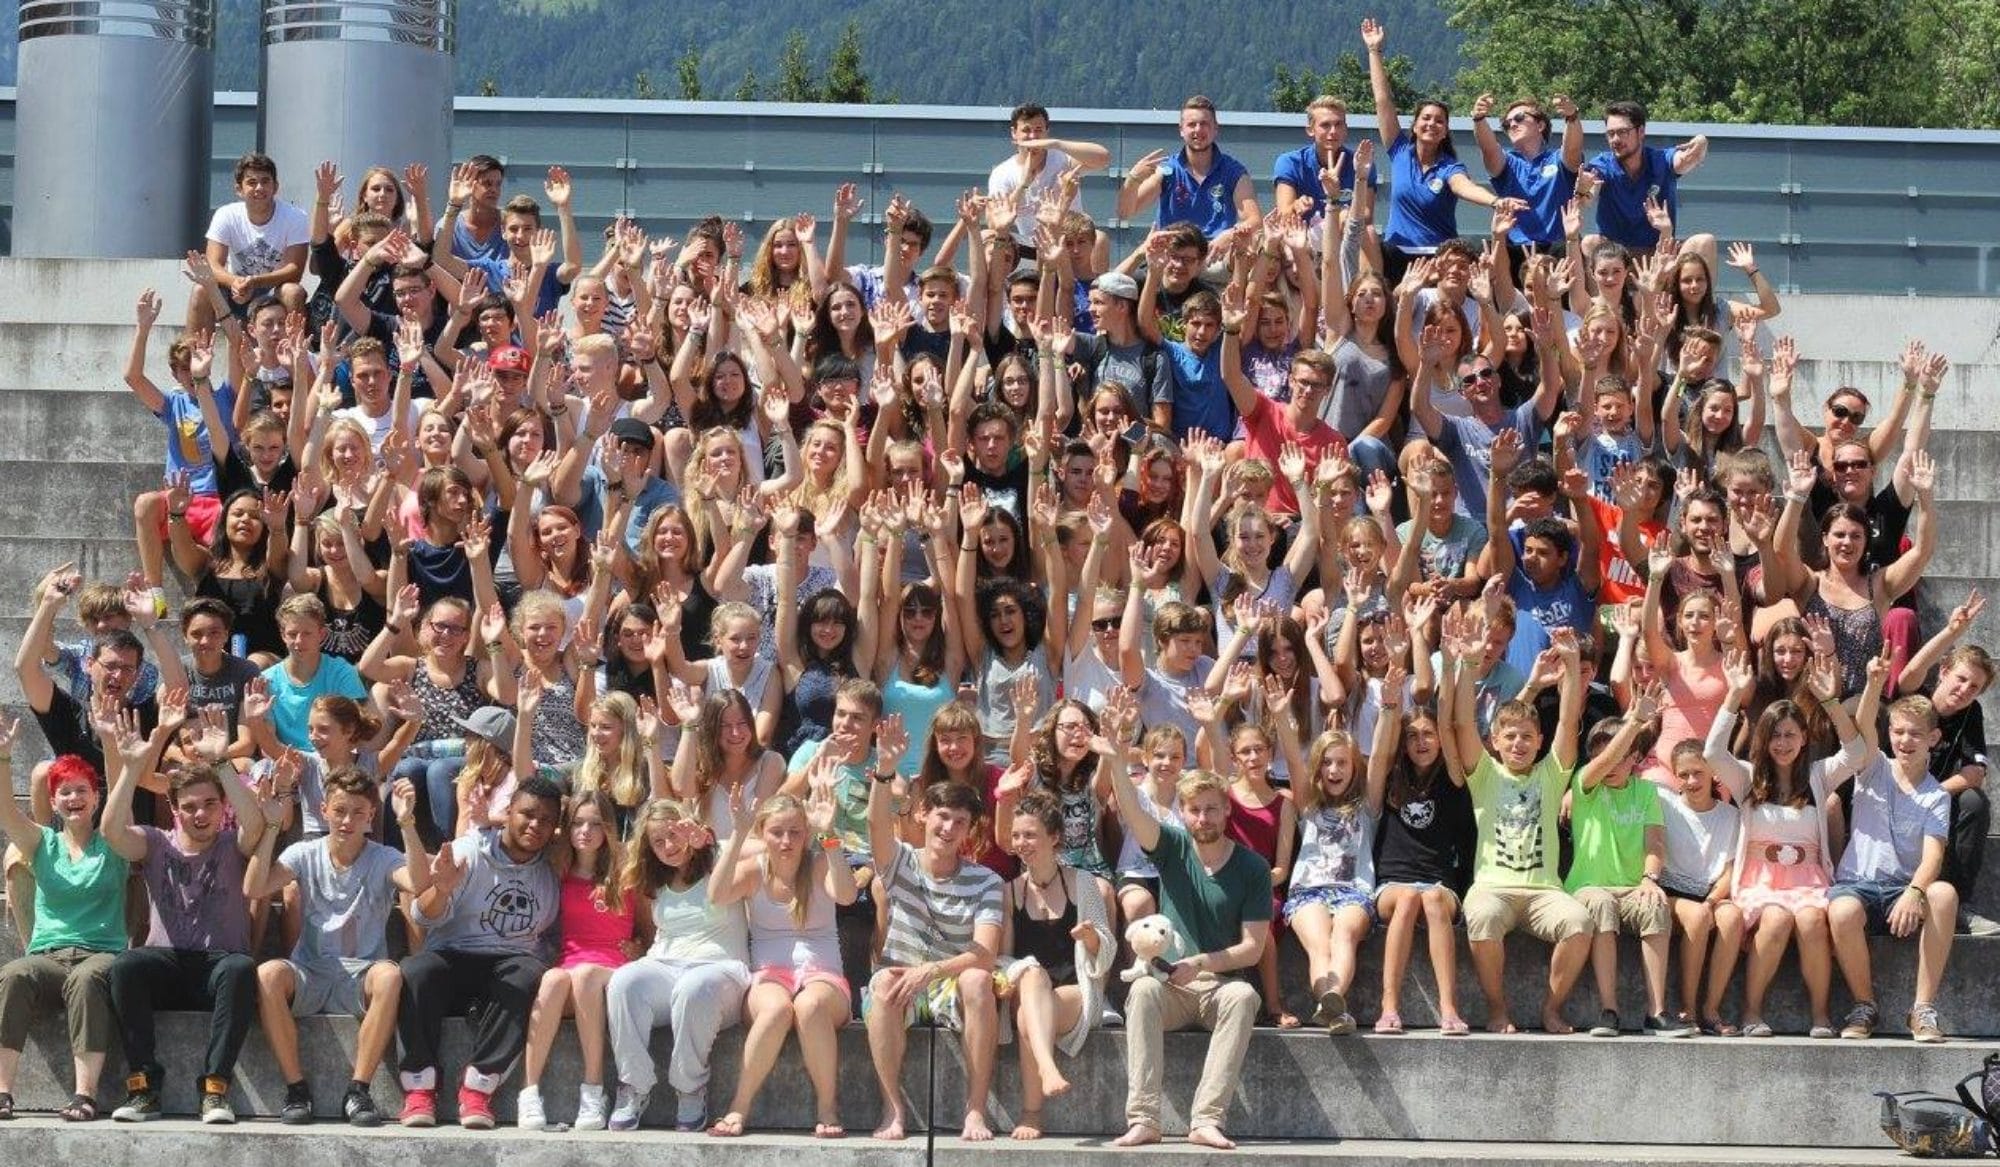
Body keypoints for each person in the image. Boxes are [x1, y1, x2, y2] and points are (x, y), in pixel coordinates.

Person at [1099, 686, 1268, 1152]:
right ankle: (1144, 1120)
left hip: (1215, 987)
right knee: (1144, 987)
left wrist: (1203, 963)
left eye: (1213, 808)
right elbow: (1132, 811)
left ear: (1227, 809)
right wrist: (1116, 760)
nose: (1204, 817)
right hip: (1171, 986)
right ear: (1185, 814)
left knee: (1244, 995)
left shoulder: (1252, 866)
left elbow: (1252, 948)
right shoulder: (1172, 846)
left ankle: (1206, 1120)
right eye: (1195, 810)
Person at [101, 702, 270, 1124]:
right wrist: (131, 769)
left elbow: (257, 825)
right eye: (190, 807)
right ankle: (144, 1086)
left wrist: (221, 762)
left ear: (220, 808)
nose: (200, 814)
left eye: (209, 805)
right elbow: (110, 831)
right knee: (125, 967)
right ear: (175, 810)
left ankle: (215, 1089)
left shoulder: (232, 843)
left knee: (240, 969)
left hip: (219, 967)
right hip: (168, 963)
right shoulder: (156, 843)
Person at [246, 768, 430, 1126]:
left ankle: (358, 1091)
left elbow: (420, 884)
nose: (348, 820)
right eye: (341, 810)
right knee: (267, 973)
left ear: (371, 816)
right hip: (310, 970)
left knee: (391, 976)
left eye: (358, 812)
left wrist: (407, 822)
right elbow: (254, 888)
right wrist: (271, 827)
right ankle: (296, 1089)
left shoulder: (384, 856)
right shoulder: (303, 851)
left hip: (360, 974)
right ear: (324, 809)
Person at [1438, 609, 1591, 1035]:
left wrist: (1573, 665)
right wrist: (1468, 664)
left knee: (1579, 922)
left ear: (1539, 742)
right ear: (1496, 743)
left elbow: (1567, 719)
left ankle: (1551, 1008)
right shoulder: (1485, 773)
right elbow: (1463, 721)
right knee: (1482, 916)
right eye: (1510, 737)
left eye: (1527, 736)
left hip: (1544, 891)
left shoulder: (1551, 771)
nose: (1519, 744)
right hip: (1493, 887)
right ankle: (1497, 1008)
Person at [862, 713, 1006, 1143]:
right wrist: (885, 771)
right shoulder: (900, 860)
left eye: (959, 822)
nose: (948, 828)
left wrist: (934, 970)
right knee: (884, 983)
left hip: (953, 981)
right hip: (903, 978)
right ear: (924, 814)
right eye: (942, 816)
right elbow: (874, 825)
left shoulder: (987, 880)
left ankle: (975, 1111)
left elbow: (984, 953)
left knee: (980, 980)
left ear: (969, 830)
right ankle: (893, 1109)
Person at [395, 776, 562, 1129]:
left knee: (527, 973)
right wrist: (441, 890)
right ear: (508, 812)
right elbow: (423, 914)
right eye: (527, 814)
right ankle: (419, 1088)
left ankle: (478, 1088)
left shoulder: (553, 866)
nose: (535, 825)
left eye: (546, 820)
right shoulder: (468, 851)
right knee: (415, 970)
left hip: (508, 966)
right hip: (454, 955)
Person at [704, 788, 858, 1138]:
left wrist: (829, 835)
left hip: (823, 976)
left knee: (809, 1005)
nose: (786, 841)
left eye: (796, 832)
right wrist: (740, 832)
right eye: (776, 832)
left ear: (806, 835)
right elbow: (716, 895)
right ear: (763, 835)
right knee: (776, 1010)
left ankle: (827, 1107)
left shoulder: (819, 864)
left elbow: (847, 895)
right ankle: (738, 1107)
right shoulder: (755, 870)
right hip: (770, 976)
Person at [604, 798, 752, 1132]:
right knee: (624, 981)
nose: (669, 846)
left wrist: (708, 842)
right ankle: (634, 1085)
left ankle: (689, 1087)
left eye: (674, 834)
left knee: (692, 987)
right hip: (665, 965)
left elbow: (758, 848)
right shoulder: (654, 880)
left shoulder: (719, 854)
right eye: (658, 841)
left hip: (721, 970)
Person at [0, 734, 125, 1123]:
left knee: (86, 979)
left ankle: (84, 1095)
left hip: (101, 954)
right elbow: (5, 811)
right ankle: (2, 1091)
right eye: (65, 792)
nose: (74, 798)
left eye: (82, 791)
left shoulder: (115, 840)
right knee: (14, 973)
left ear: (96, 798)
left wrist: (110, 740)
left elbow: (123, 784)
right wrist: (4, 757)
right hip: (48, 957)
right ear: (53, 803)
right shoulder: (43, 843)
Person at [1827, 692, 1958, 1042]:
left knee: (1943, 894)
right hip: (1858, 883)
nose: (1905, 740)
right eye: (1898, 732)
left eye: (1915, 733)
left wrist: (1915, 892)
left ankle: (1922, 1010)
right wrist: (1874, 683)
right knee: (1840, 911)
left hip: (1903, 889)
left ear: (1933, 738)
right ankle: (1864, 1005)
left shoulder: (1937, 795)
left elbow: (1934, 854)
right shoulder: (1874, 767)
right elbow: (1864, 722)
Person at [1565, 689, 1695, 1037]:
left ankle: (1657, 1012)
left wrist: (1650, 878)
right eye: (1602, 754)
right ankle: (1609, 1010)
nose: (1610, 762)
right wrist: (1635, 721)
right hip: (1589, 887)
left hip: (1633, 886)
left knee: (1655, 905)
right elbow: (1603, 763)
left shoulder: (1647, 792)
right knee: (1601, 904)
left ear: (1635, 758)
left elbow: (1655, 842)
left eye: (1621, 754)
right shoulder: (1585, 785)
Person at [995, 788, 1114, 1140]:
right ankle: (1048, 1070)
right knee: (1031, 975)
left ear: (1054, 837)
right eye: (1016, 835)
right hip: (1029, 986)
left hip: (1075, 991)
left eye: (1030, 834)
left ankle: (1032, 1113)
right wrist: (1014, 974)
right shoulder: (1010, 890)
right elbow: (1004, 958)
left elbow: (1105, 951)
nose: (1021, 842)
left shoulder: (1084, 883)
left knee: (1027, 1016)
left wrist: (1091, 938)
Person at [1117, 96, 1260, 242]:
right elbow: (1125, 213)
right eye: (1192, 124)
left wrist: (1229, 236)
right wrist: (1133, 178)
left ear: (1216, 128)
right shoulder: (1167, 170)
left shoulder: (1234, 172)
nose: (1198, 129)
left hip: (1217, 254)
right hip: (1174, 253)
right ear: (1181, 130)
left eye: (1204, 124)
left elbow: (1254, 220)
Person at [1580, 100, 1711, 254]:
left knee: (1705, 242)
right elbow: (1588, 195)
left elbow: (1688, 159)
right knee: (1590, 242)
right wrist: (1583, 189)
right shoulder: (1602, 165)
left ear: (1640, 132)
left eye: (1622, 132)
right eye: (1611, 133)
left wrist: (1702, 142)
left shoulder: (1661, 160)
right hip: (1616, 258)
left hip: (1658, 252)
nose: (1615, 139)